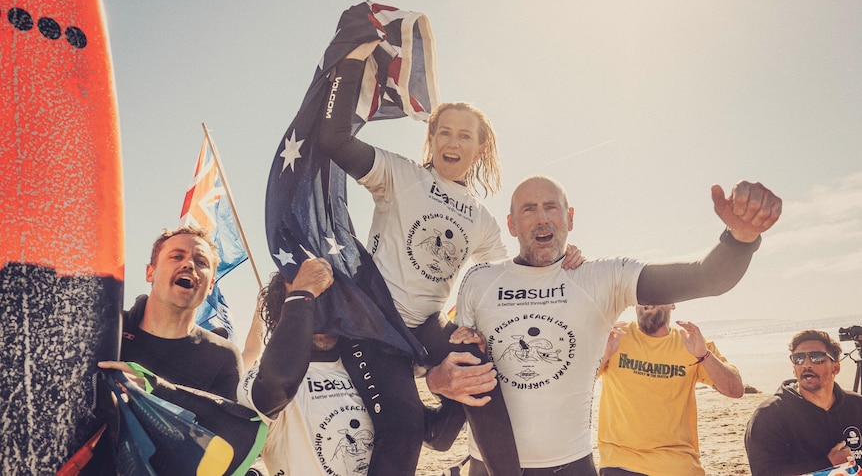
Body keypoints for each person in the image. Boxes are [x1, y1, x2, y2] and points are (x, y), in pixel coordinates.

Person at [317, 40, 582, 476]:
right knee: (401, 431)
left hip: (426, 325)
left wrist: (561, 256)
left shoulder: (481, 217)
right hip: (373, 324)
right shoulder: (399, 175)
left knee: (481, 373)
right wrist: (350, 62)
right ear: (432, 138)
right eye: (444, 131)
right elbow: (334, 139)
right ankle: (424, 425)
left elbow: (507, 273)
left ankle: (472, 453)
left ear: (479, 149)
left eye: (464, 135)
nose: (452, 141)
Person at [456, 175, 782, 475]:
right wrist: (440, 378)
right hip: (488, 462)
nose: (542, 218)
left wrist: (741, 238)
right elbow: (455, 367)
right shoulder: (479, 280)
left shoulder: (602, 277)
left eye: (551, 207)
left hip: (571, 465)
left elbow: (707, 277)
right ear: (512, 224)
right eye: (529, 209)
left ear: (570, 217)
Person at [237, 259, 496, 475]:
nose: (319, 312)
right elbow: (278, 383)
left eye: (327, 300)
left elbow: (438, 436)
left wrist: (456, 380)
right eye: (308, 302)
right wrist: (303, 292)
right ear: (283, 312)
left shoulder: (370, 367)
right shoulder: (257, 380)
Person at [596, 303, 744, 475]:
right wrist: (603, 355)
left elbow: (735, 390)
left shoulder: (691, 342)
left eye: (657, 293)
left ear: (672, 303)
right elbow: (577, 386)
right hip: (622, 462)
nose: (648, 300)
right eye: (643, 294)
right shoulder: (614, 338)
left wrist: (704, 356)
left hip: (680, 465)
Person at [98, 226, 242, 399]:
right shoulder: (104, 328)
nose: (189, 264)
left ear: (210, 286)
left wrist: (154, 393)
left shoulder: (223, 357)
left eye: (201, 262)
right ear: (150, 272)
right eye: (176, 256)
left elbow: (225, 423)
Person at [744, 329, 862, 475]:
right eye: (799, 358)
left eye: (817, 357)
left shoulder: (857, 406)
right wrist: (828, 465)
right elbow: (765, 472)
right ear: (794, 368)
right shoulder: (770, 415)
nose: (806, 364)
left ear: (836, 368)